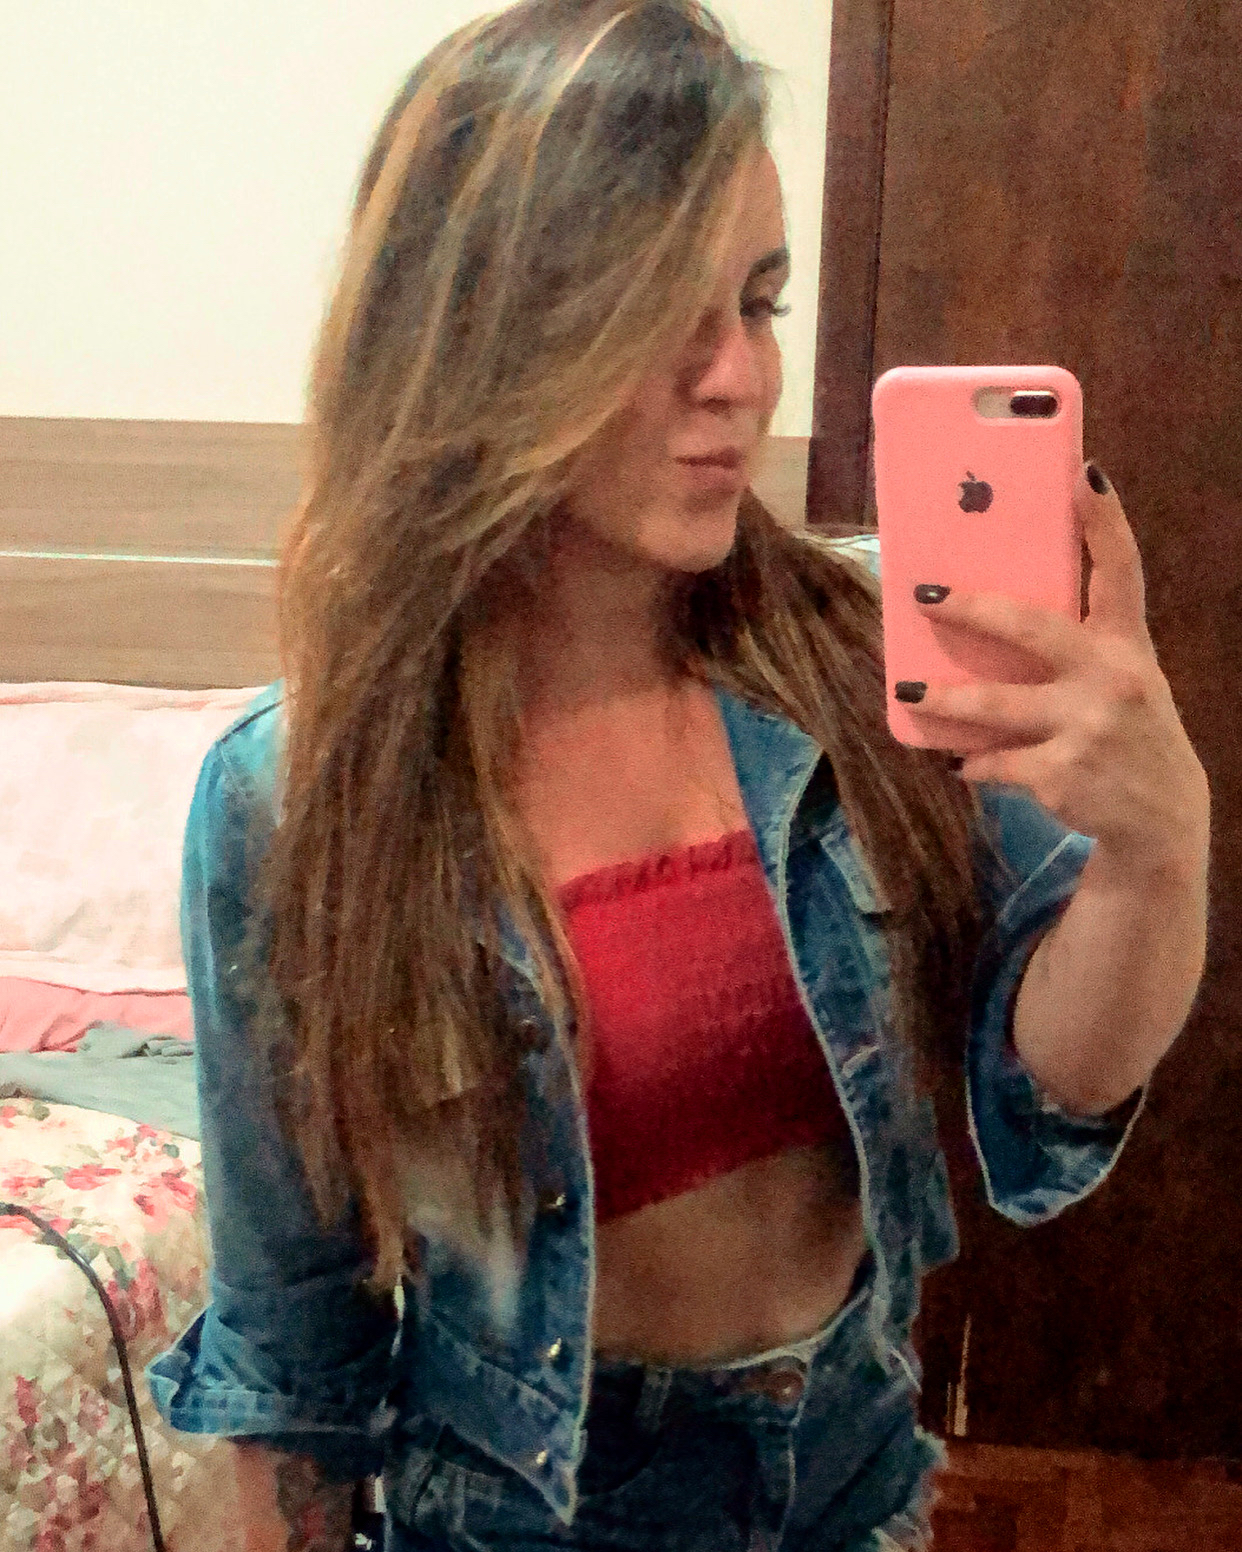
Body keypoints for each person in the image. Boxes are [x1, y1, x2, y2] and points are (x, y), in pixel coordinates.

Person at [148, 2, 1210, 1548]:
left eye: (758, 303)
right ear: (481, 323)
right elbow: (293, 1348)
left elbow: (1042, 1093)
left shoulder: (854, 660)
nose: (738, 378)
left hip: (850, 1483)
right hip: (525, 1518)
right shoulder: (298, 795)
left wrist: (1155, 853)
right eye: (658, 310)